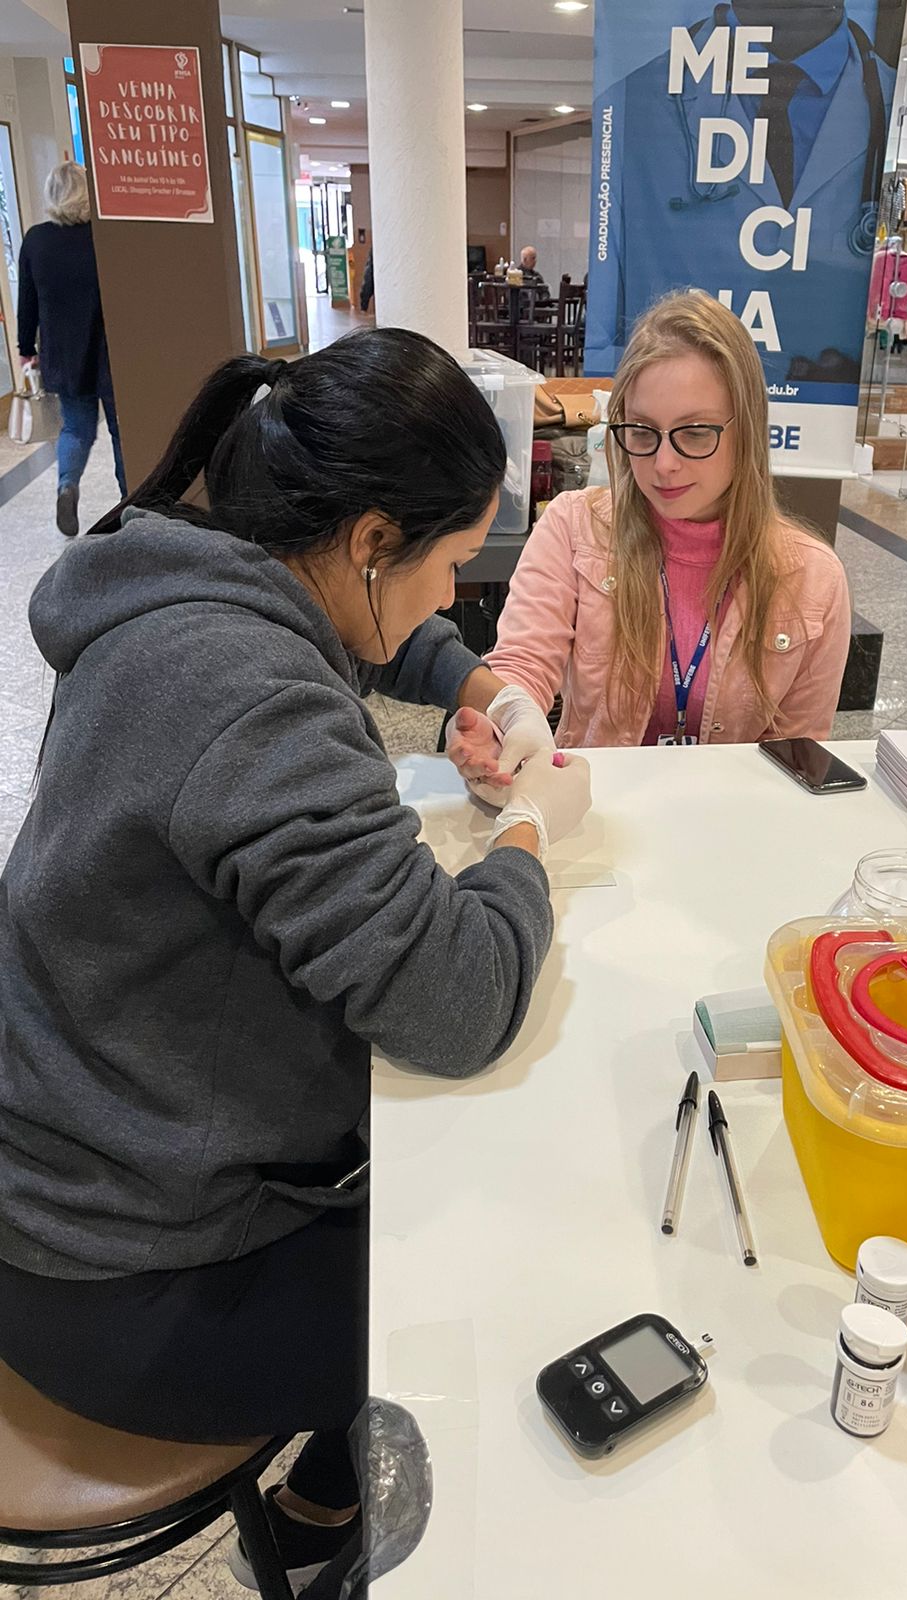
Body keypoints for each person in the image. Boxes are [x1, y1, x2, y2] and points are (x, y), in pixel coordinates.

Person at [0, 327, 588, 1589]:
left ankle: (327, 1489)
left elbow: (362, 628)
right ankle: (381, 1543)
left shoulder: (176, 576)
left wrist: (479, 686)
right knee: (509, 1265)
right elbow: (460, 997)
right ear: (371, 538)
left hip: (63, 1182)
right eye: (445, 565)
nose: (449, 597)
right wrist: (533, 833)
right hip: (129, 1282)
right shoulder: (250, 696)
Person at [447, 290, 850, 780]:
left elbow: (797, 753)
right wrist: (501, 719)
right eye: (641, 432)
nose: (663, 465)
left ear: (747, 429)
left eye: (695, 433)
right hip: (596, 816)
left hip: (732, 825)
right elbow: (524, 662)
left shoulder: (812, 577)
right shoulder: (575, 528)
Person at [587, 0, 899, 393]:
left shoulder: (889, 100)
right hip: (680, 414)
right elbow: (605, 334)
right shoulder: (632, 105)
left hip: (823, 421)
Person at [17, 161, 126, 537]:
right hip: (109, 350)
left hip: (62, 353)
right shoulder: (104, 236)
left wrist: (24, 347)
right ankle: (131, 503)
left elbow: (26, 300)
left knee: (76, 428)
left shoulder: (35, 240)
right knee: (119, 430)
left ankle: (67, 485)